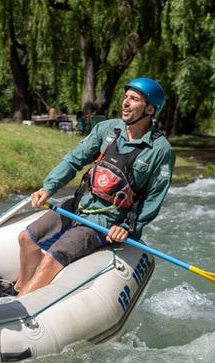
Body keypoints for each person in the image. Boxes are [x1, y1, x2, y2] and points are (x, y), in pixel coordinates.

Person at [15, 77, 175, 296]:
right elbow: (74, 160)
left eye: (134, 99)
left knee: (53, 257)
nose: (126, 103)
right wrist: (48, 188)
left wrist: (128, 228)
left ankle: (21, 308)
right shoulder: (107, 129)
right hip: (78, 205)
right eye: (125, 96)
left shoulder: (160, 150)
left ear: (149, 109)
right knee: (27, 239)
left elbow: (154, 197)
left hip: (107, 220)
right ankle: (19, 290)